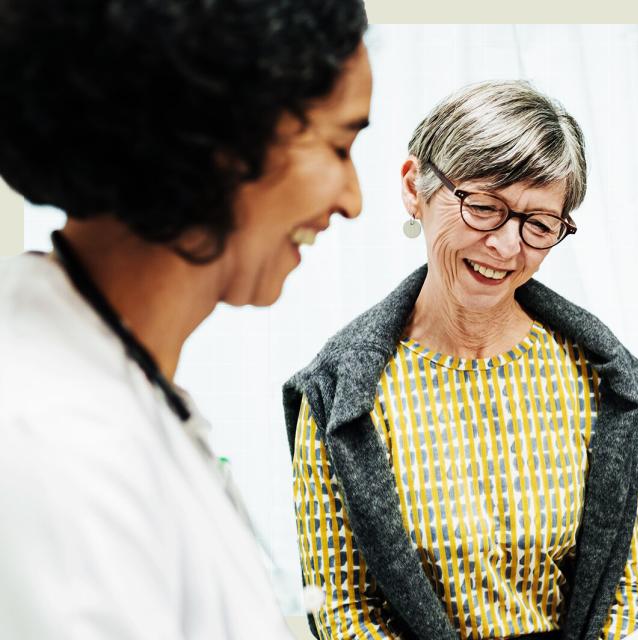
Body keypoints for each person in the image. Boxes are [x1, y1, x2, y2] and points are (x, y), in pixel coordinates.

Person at [0, 1, 371, 638]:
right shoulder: (50, 442)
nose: (352, 200)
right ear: (223, 139)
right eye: (338, 145)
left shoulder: (116, 380)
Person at [284, 81, 638, 640]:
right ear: (415, 188)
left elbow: (621, 585)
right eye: (483, 207)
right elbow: (343, 611)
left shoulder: (599, 375)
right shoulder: (340, 396)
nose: (506, 247)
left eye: (539, 224)